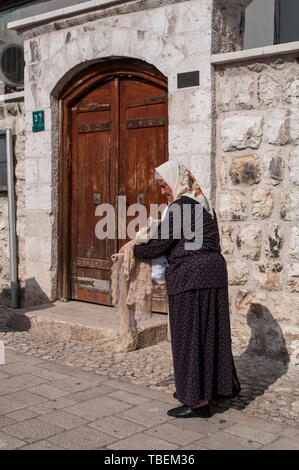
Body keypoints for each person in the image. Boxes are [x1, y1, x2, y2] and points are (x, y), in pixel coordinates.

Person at [133, 160, 240, 418]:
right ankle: (211, 389)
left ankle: (197, 402)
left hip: (192, 279)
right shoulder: (202, 203)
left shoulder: (182, 206)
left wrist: (134, 249)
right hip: (211, 276)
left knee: (189, 338)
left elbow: (160, 245)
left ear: (176, 181)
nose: (163, 192)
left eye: (164, 186)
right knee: (209, 335)